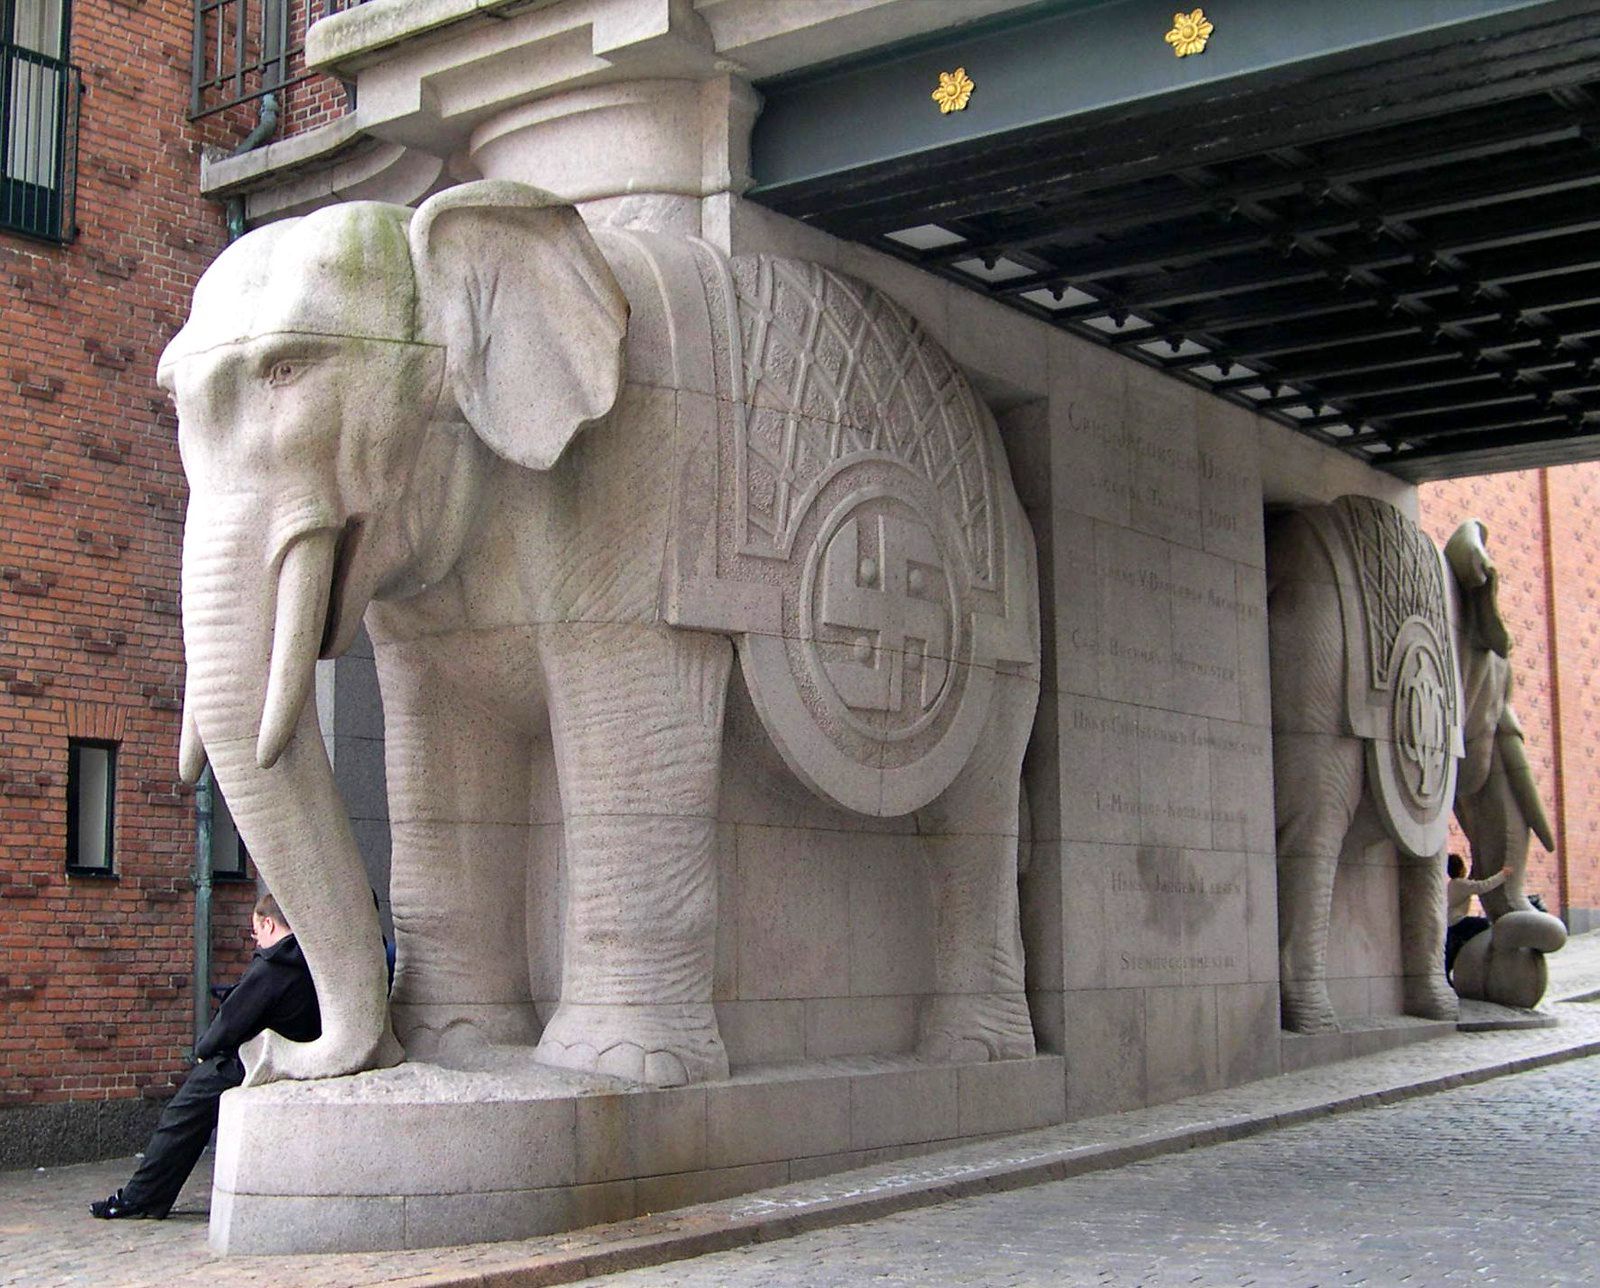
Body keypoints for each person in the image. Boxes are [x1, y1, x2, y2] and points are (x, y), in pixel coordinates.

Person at [89, 893, 320, 1219]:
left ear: (267, 923)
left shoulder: (273, 968)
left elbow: (229, 1022)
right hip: (298, 1054)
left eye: (255, 933)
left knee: (184, 1113)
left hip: (259, 1062)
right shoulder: (309, 961)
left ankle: (141, 1198)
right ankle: (143, 1196)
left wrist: (203, 1052)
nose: (256, 942)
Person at [1444, 853, 1508, 978]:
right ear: (1462, 868)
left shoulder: (1454, 884)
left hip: (1451, 923)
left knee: (1453, 954)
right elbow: (1483, 886)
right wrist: (1503, 875)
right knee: (1485, 924)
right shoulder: (1461, 885)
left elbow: (1469, 883)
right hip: (1458, 922)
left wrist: (1474, 870)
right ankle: (1478, 951)